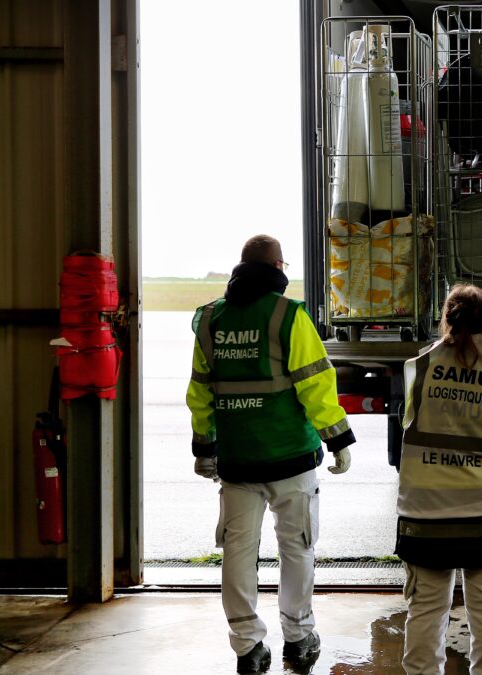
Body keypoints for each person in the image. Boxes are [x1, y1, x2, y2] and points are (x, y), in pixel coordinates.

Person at [186, 234, 355, 674]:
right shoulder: (288, 316)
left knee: (238, 552)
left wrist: (204, 447)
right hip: (290, 459)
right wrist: (337, 439)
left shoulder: (210, 319)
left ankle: (246, 646)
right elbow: (316, 385)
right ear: (278, 266)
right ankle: (298, 637)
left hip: (238, 462)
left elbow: (200, 394)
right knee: (297, 548)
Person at [395, 283, 482, 675]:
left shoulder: (418, 366)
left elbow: (411, 422)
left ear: (448, 318)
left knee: (425, 609)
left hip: (426, 514)